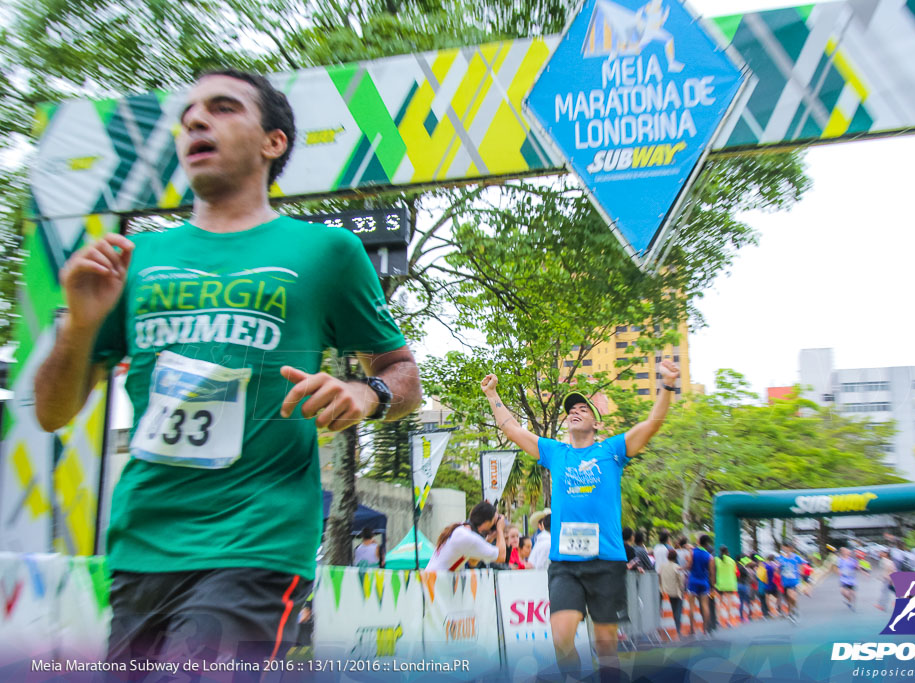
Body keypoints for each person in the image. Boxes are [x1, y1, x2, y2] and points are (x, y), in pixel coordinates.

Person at [33, 69, 422, 667]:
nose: (195, 121)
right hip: (142, 545)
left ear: (274, 142)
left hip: (256, 542)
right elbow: (53, 412)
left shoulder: (325, 253)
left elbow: (403, 374)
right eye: (188, 114)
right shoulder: (134, 261)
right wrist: (80, 328)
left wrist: (365, 393)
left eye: (222, 108)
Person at [480, 359, 680, 680]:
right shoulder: (556, 452)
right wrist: (492, 394)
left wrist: (667, 385)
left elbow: (651, 424)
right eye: (570, 410)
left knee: (605, 649)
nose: (574, 411)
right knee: (561, 639)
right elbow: (512, 429)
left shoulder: (612, 450)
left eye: (583, 409)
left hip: (606, 561)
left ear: (597, 424)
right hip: (565, 565)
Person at [426, 501, 507, 572]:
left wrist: (489, 540)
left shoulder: (461, 529)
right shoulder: (467, 537)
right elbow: (501, 557)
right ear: (486, 523)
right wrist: (500, 530)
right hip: (434, 583)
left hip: (433, 580)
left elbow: (473, 562)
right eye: (494, 521)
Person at [686, 535, 715, 636]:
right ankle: (705, 629)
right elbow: (712, 572)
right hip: (704, 582)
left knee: (692, 606)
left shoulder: (692, 552)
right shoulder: (709, 556)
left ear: (698, 541)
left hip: (693, 581)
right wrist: (712, 586)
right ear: (707, 544)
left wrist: (684, 567)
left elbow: (689, 566)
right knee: (705, 606)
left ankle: (692, 629)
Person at [658, 549, 685, 639]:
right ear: (676, 557)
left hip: (664, 592)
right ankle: (676, 630)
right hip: (675, 593)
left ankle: (664, 631)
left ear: (667, 557)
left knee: (664, 612)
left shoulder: (662, 566)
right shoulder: (677, 567)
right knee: (676, 612)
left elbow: (659, 577)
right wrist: (681, 590)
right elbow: (681, 581)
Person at [777, 543, 804, 622]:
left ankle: (795, 609)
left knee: (791, 596)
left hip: (794, 581)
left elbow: (801, 565)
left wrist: (800, 574)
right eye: (783, 548)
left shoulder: (796, 557)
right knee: (788, 599)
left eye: (786, 547)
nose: (784, 549)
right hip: (785, 581)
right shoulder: (781, 558)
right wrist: (779, 569)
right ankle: (792, 612)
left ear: (790, 548)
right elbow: (778, 569)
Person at [713, 546, 738, 628]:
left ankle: (719, 621)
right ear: (728, 552)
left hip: (719, 584)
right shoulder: (732, 561)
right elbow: (735, 572)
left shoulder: (716, 560)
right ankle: (729, 621)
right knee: (729, 603)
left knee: (719, 603)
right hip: (730, 584)